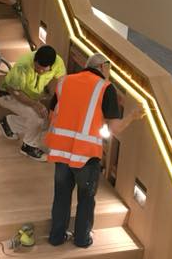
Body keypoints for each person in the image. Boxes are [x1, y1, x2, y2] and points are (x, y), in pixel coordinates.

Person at [46, 53, 143, 248]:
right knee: (86, 198)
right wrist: (133, 116)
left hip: (61, 152)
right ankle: (82, 239)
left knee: (61, 196)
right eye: (109, 69)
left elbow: (51, 112)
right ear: (102, 66)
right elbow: (115, 129)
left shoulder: (64, 81)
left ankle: (56, 237)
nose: (110, 74)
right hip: (86, 156)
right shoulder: (105, 88)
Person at [0, 45, 65, 162]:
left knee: (43, 124)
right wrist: (36, 105)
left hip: (31, 97)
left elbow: (63, 83)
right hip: (10, 95)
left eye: (44, 70)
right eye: (37, 67)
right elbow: (14, 91)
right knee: (37, 119)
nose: (40, 71)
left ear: (51, 66)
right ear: (34, 60)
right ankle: (28, 147)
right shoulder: (22, 66)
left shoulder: (58, 63)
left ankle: (8, 123)